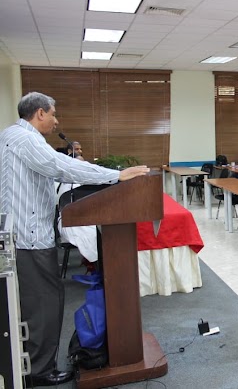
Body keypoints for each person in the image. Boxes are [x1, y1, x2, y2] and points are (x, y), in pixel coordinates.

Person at [0, 92, 150, 386]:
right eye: (53, 114)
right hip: (28, 238)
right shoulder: (24, 138)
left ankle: (33, 364)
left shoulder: (14, 136)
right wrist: (115, 176)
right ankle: (39, 371)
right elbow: (59, 167)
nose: (56, 121)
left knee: (36, 301)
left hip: (24, 234)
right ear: (40, 113)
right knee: (44, 303)